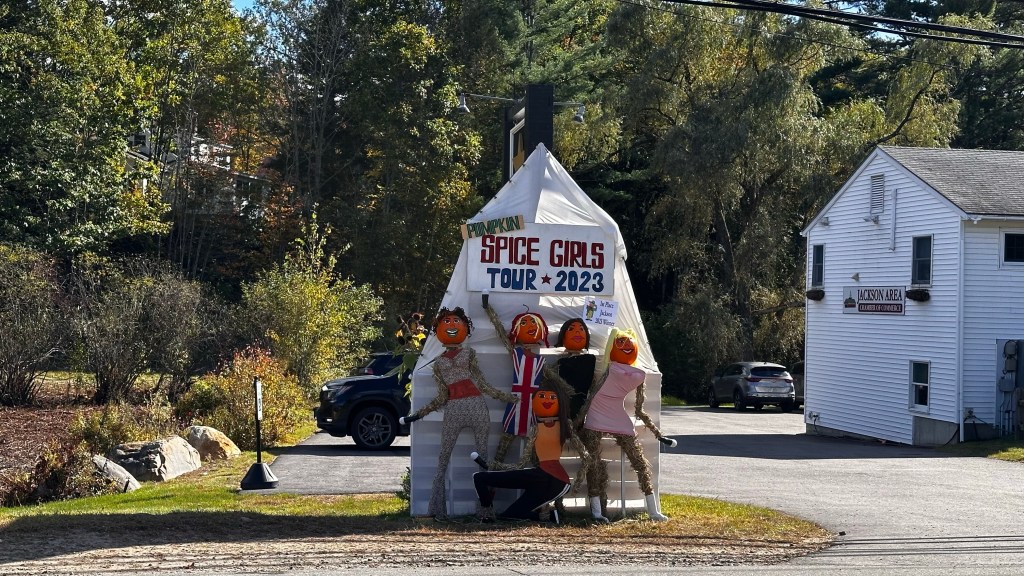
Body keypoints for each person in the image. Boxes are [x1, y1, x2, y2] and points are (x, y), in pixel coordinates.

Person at [400, 307, 517, 519]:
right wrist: (418, 414)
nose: (452, 325)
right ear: (437, 329)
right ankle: (436, 510)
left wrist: (505, 396)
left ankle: (484, 511)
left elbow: (481, 382)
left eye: (456, 321)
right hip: (453, 408)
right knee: (443, 458)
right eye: (446, 322)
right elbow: (442, 396)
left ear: (465, 328)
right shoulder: (438, 363)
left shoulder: (469, 354)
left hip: (477, 405)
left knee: (482, 458)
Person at [577, 327, 676, 522]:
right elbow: (594, 395)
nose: (627, 345)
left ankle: (653, 510)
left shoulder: (635, 373)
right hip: (597, 412)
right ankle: (596, 511)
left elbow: (639, 409)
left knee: (639, 461)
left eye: (630, 341)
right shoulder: (610, 368)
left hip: (617, 413)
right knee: (593, 463)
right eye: (621, 342)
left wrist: (656, 432)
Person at [471, 381, 590, 524]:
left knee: (479, 477)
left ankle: (486, 511)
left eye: (552, 398)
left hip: (556, 480)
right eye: (542, 397)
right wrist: (493, 465)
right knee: (508, 515)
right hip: (540, 477)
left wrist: (578, 482)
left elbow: (585, 455)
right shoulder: (535, 428)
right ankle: (550, 518)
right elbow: (522, 461)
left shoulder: (565, 425)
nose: (547, 401)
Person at [483, 300, 549, 463]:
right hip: (516, 402)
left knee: (535, 446)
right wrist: (488, 308)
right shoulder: (516, 353)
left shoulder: (541, 361)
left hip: (534, 405)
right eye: (524, 323)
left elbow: (557, 381)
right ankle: (494, 473)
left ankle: (537, 474)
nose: (530, 326)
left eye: (533, 322)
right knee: (504, 443)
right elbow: (501, 332)